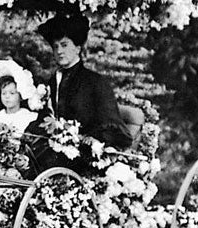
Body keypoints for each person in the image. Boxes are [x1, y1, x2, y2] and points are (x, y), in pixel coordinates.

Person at [37, 13, 133, 151]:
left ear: (77, 48)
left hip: (85, 151)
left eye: (64, 45)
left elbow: (114, 127)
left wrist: (95, 138)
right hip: (55, 147)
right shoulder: (54, 81)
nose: (59, 51)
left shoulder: (95, 82)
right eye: (55, 46)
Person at [0, 59, 41, 140]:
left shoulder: (27, 117)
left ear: (20, 95)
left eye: (12, 93)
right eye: (4, 93)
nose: (7, 97)